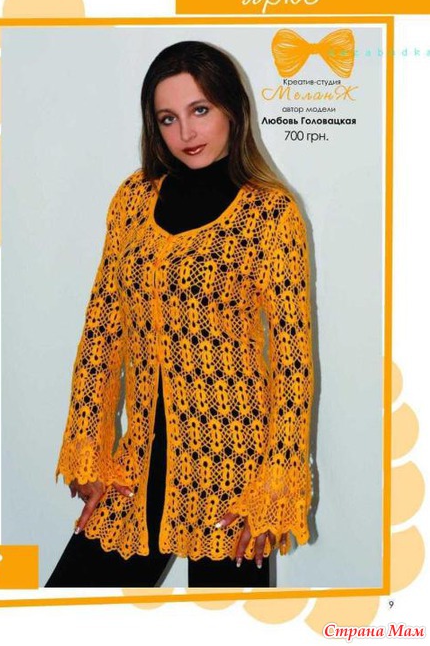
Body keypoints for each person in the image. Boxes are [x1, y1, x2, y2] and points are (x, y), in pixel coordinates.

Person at [45, 40, 314, 588]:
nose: (186, 132)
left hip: (234, 472)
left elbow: (293, 363)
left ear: (232, 109)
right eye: (168, 118)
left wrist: (274, 486)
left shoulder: (270, 212)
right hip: (139, 464)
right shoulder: (133, 199)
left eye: (200, 110)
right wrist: (89, 448)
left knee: (228, 621)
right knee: (65, 608)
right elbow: (102, 330)